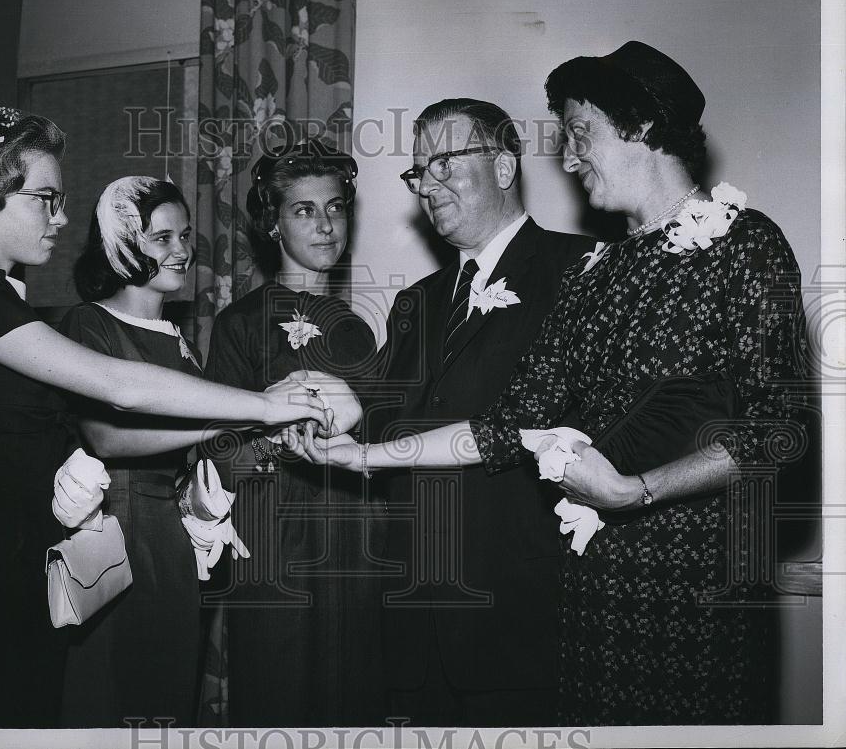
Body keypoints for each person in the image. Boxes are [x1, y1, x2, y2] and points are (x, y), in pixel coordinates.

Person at [289, 43, 807, 725]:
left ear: (643, 128)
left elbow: (781, 431)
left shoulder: (746, 245)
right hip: (590, 601)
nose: (567, 159)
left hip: (698, 590)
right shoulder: (598, 273)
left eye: (580, 134)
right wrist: (358, 454)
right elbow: (507, 426)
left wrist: (639, 489)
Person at [0, 109, 331, 729]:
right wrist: (265, 405)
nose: (61, 218)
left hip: (21, 557)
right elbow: (118, 386)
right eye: (45, 199)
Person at [363, 98, 594, 727]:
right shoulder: (415, 302)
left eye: (443, 162)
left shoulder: (584, 270)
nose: (427, 186)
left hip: (522, 612)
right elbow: (385, 423)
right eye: (418, 173)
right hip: (415, 617)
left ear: (502, 166)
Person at [203, 139, 386, 726]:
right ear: (273, 225)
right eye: (304, 210)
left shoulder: (359, 330)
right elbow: (215, 453)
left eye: (336, 207)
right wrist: (278, 443)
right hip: (274, 537)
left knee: (355, 693)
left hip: (356, 538)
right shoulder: (240, 324)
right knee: (278, 696)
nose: (327, 225)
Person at [56, 176, 227, 726]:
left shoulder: (175, 333)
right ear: (122, 244)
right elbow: (106, 439)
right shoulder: (89, 324)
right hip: (119, 527)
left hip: (172, 534)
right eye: (161, 239)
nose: (181, 250)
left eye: (185, 235)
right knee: (112, 691)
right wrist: (217, 428)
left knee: (167, 690)